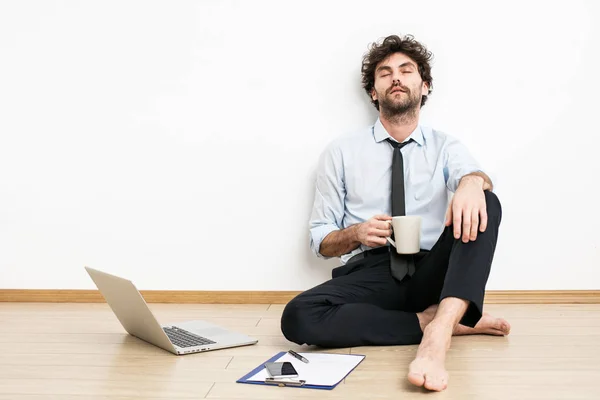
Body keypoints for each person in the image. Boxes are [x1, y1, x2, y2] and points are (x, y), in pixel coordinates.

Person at [280, 34, 511, 392]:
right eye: (385, 73)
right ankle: (437, 321)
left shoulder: (445, 146)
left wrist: (471, 183)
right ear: (374, 91)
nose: (396, 78)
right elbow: (321, 241)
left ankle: (439, 334)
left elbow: (474, 174)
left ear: (425, 85)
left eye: (406, 70)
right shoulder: (340, 152)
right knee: (297, 317)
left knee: (486, 200)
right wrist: (355, 233)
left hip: (430, 269)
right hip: (373, 270)